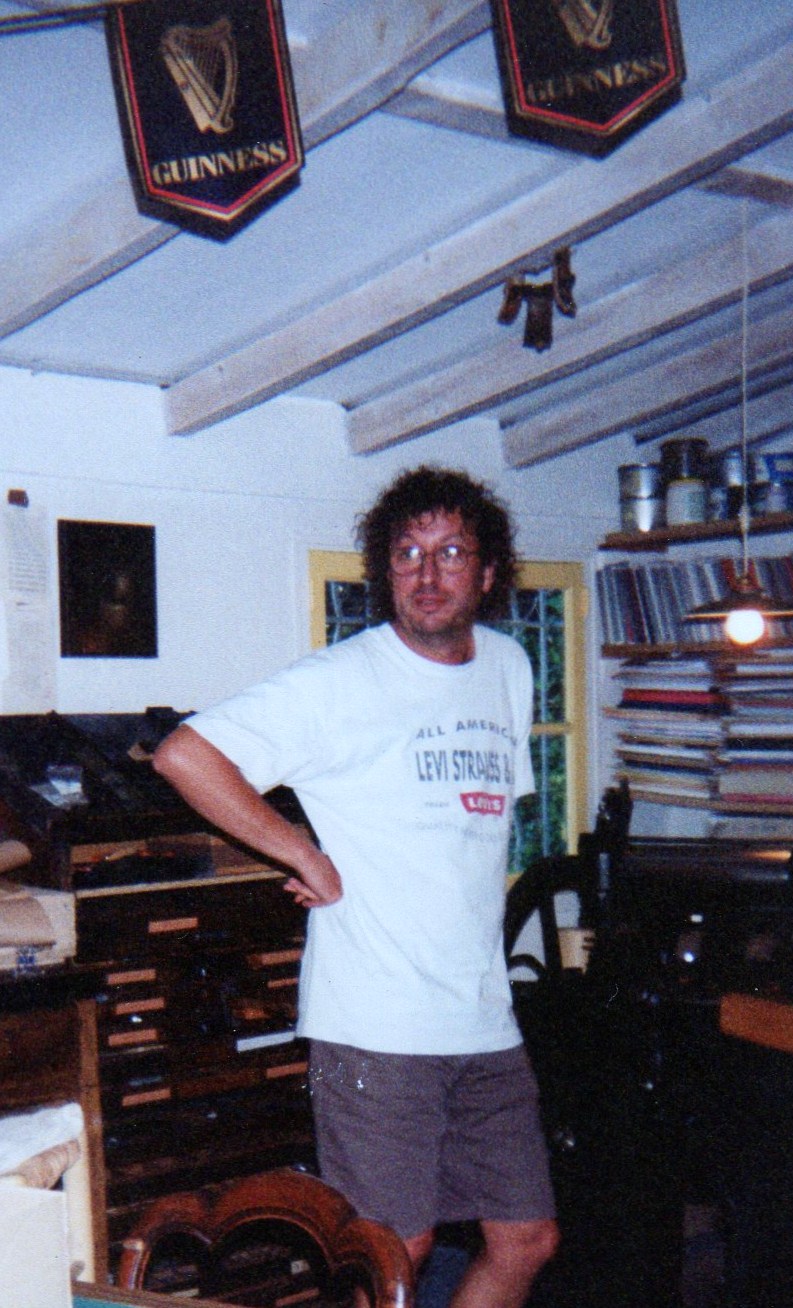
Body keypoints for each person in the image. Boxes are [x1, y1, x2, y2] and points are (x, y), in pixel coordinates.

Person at [152, 465, 559, 1308]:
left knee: (526, 1239)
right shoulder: (341, 680)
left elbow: (465, 834)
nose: (427, 574)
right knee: (393, 1252)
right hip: (376, 1023)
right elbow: (186, 756)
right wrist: (301, 852)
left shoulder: (510, 667)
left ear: (488, 573)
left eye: (451, 553)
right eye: (407, 554)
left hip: (482, 1016)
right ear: (384, 570)